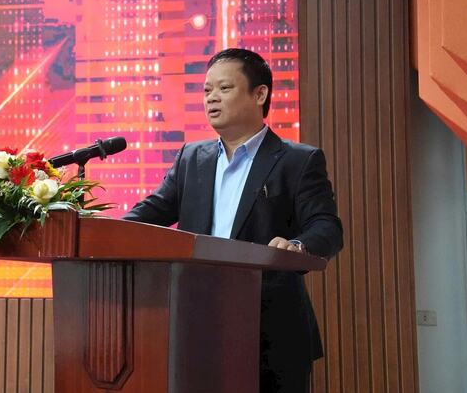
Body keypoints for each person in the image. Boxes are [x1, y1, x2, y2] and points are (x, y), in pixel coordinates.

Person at [124, 48, 343, 393]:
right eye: (207, 90)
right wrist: (96, 228)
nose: (212, 98)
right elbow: (145, 215)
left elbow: (327, 227)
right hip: (195, 325)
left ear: (260, 94)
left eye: (224, 88)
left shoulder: (298, 160)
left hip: (271, 330)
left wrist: (297, 246)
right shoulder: (191, 158)